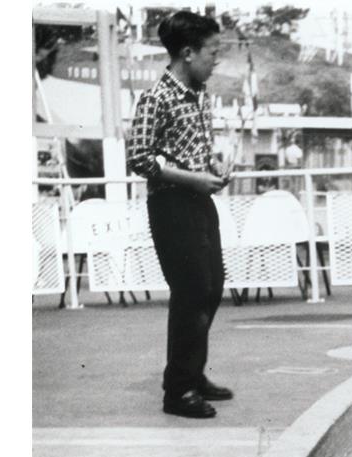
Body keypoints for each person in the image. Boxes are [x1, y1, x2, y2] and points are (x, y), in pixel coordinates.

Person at [127, 11, 233, 420]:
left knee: (211, 287)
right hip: (172, 204)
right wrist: (192, 179)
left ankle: (192, 373)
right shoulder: (157, 98)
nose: (215, 60)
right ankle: (178, 390)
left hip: (199, 201)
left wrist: (216, 165)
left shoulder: (200, 94)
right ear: (187, 53)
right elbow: (139, 157)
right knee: (191, 292)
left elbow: (197, 150)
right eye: (212, 52)